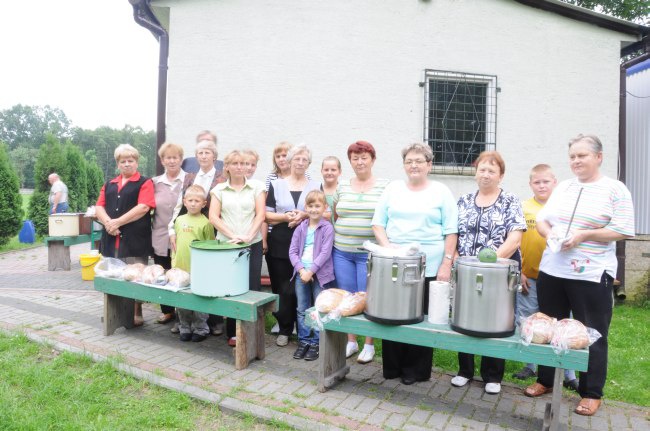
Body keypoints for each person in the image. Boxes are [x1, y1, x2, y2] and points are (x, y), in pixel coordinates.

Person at [524, 134, 634, 417]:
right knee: (549, 328)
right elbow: (543, 222)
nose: (576, 161)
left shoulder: (615, 189)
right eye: (573, 156)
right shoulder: (564, 189)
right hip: (553, 271)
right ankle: (546, 379)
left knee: (591, 333)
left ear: (598, 157)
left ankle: (591, 391)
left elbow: (623, 229)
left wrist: (585, 235)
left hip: (592, 273)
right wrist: (552, 236)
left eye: (582, 155)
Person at [372, 143, 458, 385]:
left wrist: (446, 264)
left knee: (420, 317)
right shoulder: (393, 189)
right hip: (395, 265)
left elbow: (451, 231)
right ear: (404, 165)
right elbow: (378, 223)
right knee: (392, 315)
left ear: (429, 165)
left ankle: (415, 370)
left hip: (428, 266)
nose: (414, 165)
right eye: (409, 161)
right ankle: (392, 367)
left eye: (419, 160)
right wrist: (388, 248)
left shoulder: (441, 191)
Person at [450, 150, 526, 395]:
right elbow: (454, 233)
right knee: (465, 316)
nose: (486, 174)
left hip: (498, 273)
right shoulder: (463, 200)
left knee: (496, 320)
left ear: (500, 176)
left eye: (492, 170)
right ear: (475, 173)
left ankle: (493, 375)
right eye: (482, 169)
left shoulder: (510, 201)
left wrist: (491, 261)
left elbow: (515, 237)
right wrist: (457, 258)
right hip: (467, 271)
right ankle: (465, 371)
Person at [512, 164, 579, 391]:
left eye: (546, 182)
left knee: (562, 324)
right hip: (529, 277)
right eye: (536, 182)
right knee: (528, 320)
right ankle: (530, 364)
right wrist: (519, 270)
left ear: (555, 182)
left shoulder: (562, 208)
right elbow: (515, 241)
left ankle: (568, 372)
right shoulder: (522, 208)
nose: (541, 186)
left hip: (558, 277)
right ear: (530, 184)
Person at [333, 141, 389, 364]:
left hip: (370, 253)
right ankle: (351, 341)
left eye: (364, 157)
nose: (359, 162)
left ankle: (369, 344)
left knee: (367, 297)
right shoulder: (342, 186)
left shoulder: (385, 186)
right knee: (347, 296)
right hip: (342, 251)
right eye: (355, 158)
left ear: (373, 160)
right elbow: (336, 215)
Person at [265, 144, 321, 347]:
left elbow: (322, 212)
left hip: (307, 243)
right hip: (280, 240)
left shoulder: (315, 185)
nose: (299, 162)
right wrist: (285, 216)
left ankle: (305, 330)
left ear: (309, 163)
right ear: (289, 161)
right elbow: (267, 214)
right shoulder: (277, 184)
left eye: (304, 159)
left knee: (305, 287)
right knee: (283, 288)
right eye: (296, 158)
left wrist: (304, 215)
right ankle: (285, 328)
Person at [210, 150, 266, 347]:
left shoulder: (256, 187)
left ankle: (252, 331)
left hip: (253, 243)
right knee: (231, 288)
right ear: (227, 167)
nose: (239, 167)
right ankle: (233, 332)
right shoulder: (219, 190)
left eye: (243, 163)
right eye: (235, 163)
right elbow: (214, 217)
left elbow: (260, 215)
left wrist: (249, 236)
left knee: (252, 288)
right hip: (228, 245)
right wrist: (233, 236)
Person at [95, 144, 156, 327]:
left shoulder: (145, 182)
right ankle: (114, 312)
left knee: (135, 275)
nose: (127, 164)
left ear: (137, 162)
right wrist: (108, 223)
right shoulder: (109, 184)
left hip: (135, 238)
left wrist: (117, 222)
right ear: (118, 164)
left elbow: (144, 207)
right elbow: (99, 206)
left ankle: (136, 311)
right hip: (112, 237)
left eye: (131, 161)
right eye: (123, 161)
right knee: (113, 274)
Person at [169, 139, 225, 335]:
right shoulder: (190, 177)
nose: (203, 156)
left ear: (215, 157)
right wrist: (171, 229)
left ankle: (211, 322)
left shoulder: (222, 177)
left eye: (207, 152)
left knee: (207, 281)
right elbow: (179, 206)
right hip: (185, 229)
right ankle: (183, 322)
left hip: (210, 228)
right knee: (184, 283)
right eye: (200, 152)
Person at [288, 190, 335, 361]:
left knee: (317, 309)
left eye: (318, 206)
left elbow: (325, 252)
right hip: (301, 273)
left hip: (319, 275)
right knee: (302, 308)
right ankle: (304, 340)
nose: (314, 209)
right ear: (305, 207)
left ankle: (316, 342)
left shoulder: (327, 228)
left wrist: (311, 271)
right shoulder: (301, 227)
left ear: (324, 207)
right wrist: (301, 270)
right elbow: (292, 251)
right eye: (311, 206)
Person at [171, 185, 214, 342]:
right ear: (184, 202)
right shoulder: (179, 220)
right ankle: (184, 327)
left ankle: (201, 328)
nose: (193, 203)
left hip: (198, 268)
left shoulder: (206, 223)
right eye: (190, 200)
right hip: (181, 268)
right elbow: (176, 244)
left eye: (197, 201)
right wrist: (174, 262)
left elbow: (210, 246)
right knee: (182, 299)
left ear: (204, 204)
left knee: (198, 299)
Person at [151, 142, 186, 325]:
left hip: (183, 235)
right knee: (163, 273)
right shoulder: (155, 182)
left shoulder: (189, 179)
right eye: (168, 157)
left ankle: (185, 313)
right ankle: (167, 311)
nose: (172, 161)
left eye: (175, 157)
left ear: (181, 159)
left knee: (182, 273)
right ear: (162, 160)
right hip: (160, 234)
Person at [321, 156, 341, 223]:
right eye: (326, 170)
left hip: (339, 231)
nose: (329, 173)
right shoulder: (318, 191)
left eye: (333, 170)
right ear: (321, 171)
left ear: (340, 171)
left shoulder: (342, 191)